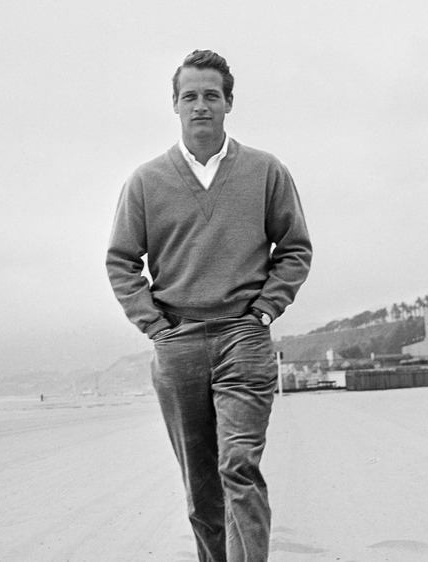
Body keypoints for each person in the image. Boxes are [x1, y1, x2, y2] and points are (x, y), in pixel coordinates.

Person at [105, 49, 312, 561]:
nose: (201, 106)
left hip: (243, 337)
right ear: (175, 104)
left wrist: (264, 311)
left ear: (228, 103)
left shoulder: (265, 171)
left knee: (238, 465)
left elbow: (295, 249)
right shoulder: (146, 181)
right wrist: (155, 326)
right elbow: (121, 261)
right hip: (178, 344)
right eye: (190, 96)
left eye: (211, 96)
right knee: (201, 489)